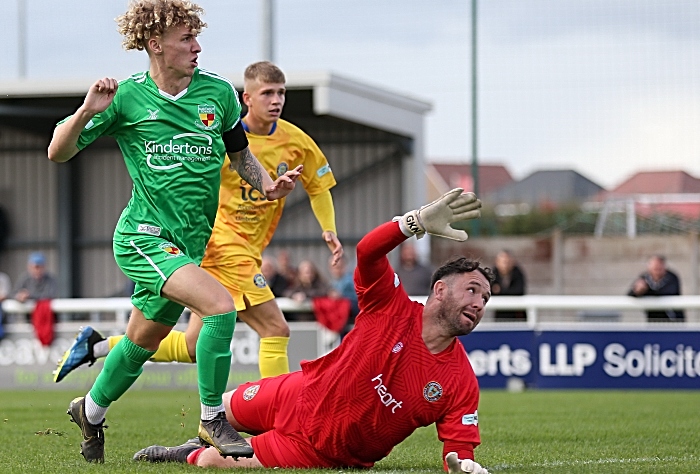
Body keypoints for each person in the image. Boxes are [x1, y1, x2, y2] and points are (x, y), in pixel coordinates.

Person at [47, 1, 301, 463]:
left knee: (142, 341)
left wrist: (268, 184)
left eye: (195, 37)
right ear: (155, 45)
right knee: (220, 307)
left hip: (188, 245)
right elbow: (57, 152)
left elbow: (238, 152)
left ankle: (91, 409)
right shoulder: (124, 98)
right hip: (142, 237)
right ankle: (210, 418)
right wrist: (86, 111)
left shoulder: (219, 94)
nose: (197, 46)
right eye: (186, 39)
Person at [132, 188, 490, 474]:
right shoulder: (391, 304)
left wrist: (462, 466)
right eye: (472, 290)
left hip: (320, 449)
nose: (479, 303)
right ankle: (194, 442)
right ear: (440, 290)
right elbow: (367, 252)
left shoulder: (460, 382)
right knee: (219, 410)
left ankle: (187, 456)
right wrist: (412, 223)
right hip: (299, 393)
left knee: (214, 462)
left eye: (486, 298)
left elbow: (459, 449)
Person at [54, 60, 342, 385]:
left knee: (191, 346)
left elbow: (318, 187)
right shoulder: (213, 133)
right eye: (267, 93)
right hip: (221, 245)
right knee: (275, 328)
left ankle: (99, 346)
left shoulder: (295, 140)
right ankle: (279, 414)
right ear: (247, 98)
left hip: (236, 247)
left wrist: (327, 227)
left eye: (281, 93)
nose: (276, 100)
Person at [627, 255, 685, 322]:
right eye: (655, 267)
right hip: (653, 320)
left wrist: (646, 290)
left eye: (659, 266)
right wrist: (637, 290)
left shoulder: (672, 277)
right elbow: (630, 293)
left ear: (664, 267)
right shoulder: (645, 277)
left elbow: (668, 292)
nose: (657, 270)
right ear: (649, 267)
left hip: (673, 320)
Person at [491, 250, 527, 321]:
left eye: (507, 262)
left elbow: (519, 291)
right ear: (497, 262)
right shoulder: (493, 274)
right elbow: (490, 291)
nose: (505, 265)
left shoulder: (518, 273)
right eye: (503, 262)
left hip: (517, 315)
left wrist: (500, 290)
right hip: (500, 315)